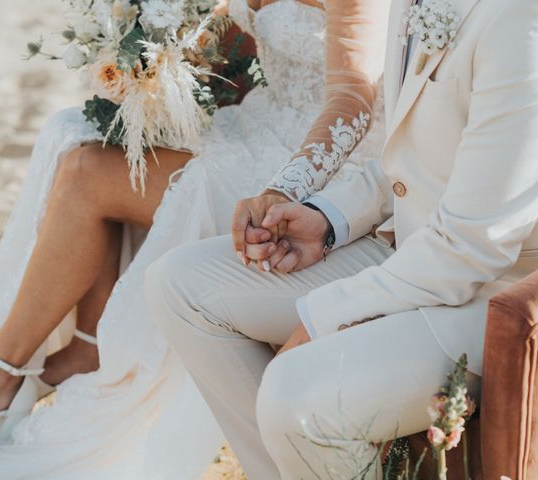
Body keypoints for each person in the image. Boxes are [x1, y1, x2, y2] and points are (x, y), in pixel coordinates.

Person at [0, 0, 388, 477]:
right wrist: (153, 66)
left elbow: (354, 100)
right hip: (254, 121)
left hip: (314, 172)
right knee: (72, 132)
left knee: (89, 173)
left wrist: (287, 187)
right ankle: (85, 345)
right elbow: (230, 42)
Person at [146, 0, 538, 477]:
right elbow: (413, 154)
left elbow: (474, 246)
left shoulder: (519, 20)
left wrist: (324, 316)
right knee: (181, 285)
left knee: (298, 399)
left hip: (491, 296)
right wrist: (325, 219)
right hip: (410, 249)